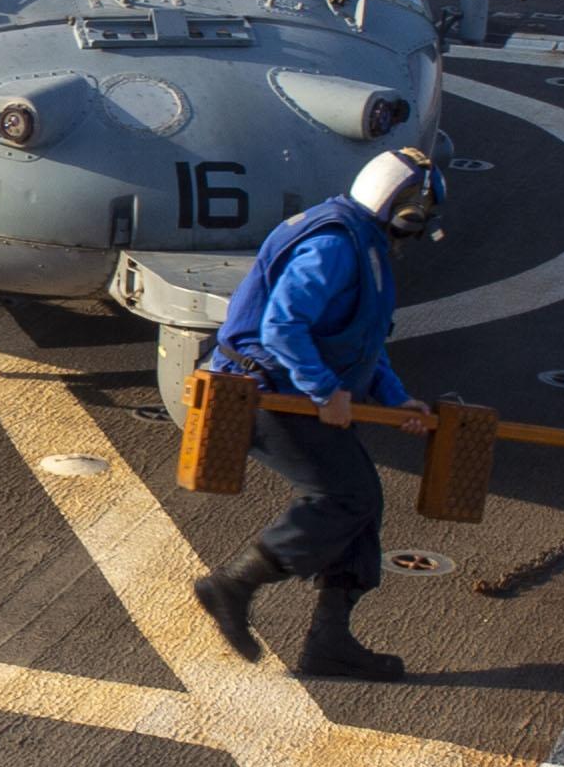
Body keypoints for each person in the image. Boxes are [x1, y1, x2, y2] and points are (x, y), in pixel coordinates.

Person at [190, 146, 447, 685]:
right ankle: (233, 586)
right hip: (260, 393)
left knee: (362, 501)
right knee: (343, 496)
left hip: (291, 390)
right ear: (406, 208)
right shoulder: (335, 246)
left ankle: (332, 642)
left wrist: (395, 398)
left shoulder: (361, 238)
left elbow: (363, 340)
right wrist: (326, 390)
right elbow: (282, 327)